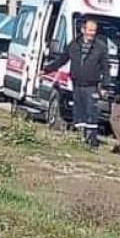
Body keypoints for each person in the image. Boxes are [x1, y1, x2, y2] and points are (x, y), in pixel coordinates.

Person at [43, 18, 110, 148]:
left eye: (94, 31)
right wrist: (46, 69)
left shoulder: (101, 47)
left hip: (92, 85)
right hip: (77, 84)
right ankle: (80, 137)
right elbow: (62, 60)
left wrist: (105, 86)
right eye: (90, 30)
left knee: (91, 112)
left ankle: (91, 141)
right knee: (79, 112)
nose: (92, 33)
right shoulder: (74, 45)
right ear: (83, 30)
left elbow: (106, 68)